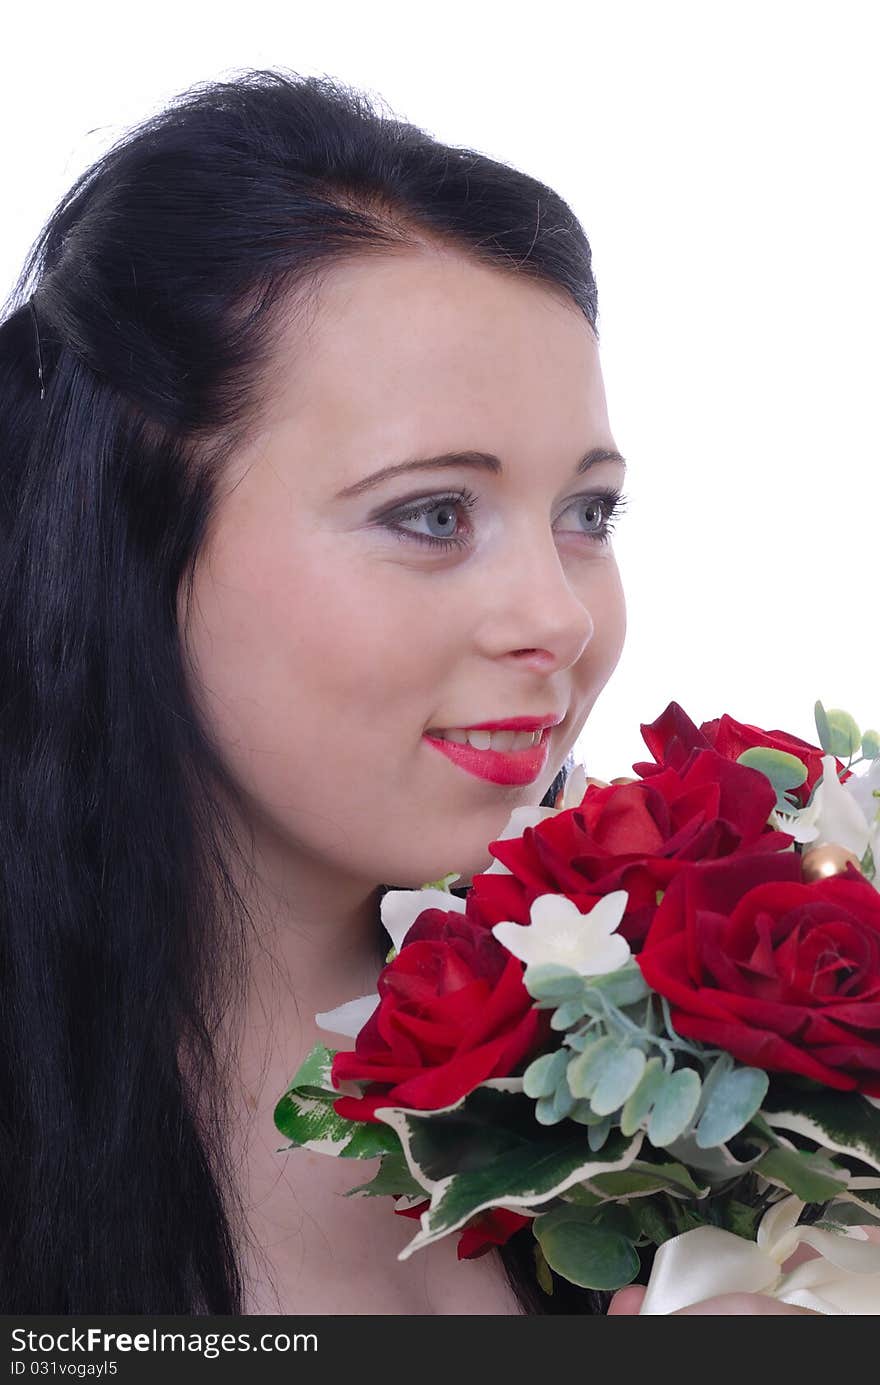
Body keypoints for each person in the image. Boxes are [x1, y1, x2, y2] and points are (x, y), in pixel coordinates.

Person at [0, 68, 827, 1315]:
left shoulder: (697, 1080)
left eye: (586, 512)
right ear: (134, 537)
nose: (557, 616)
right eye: (433, 513)